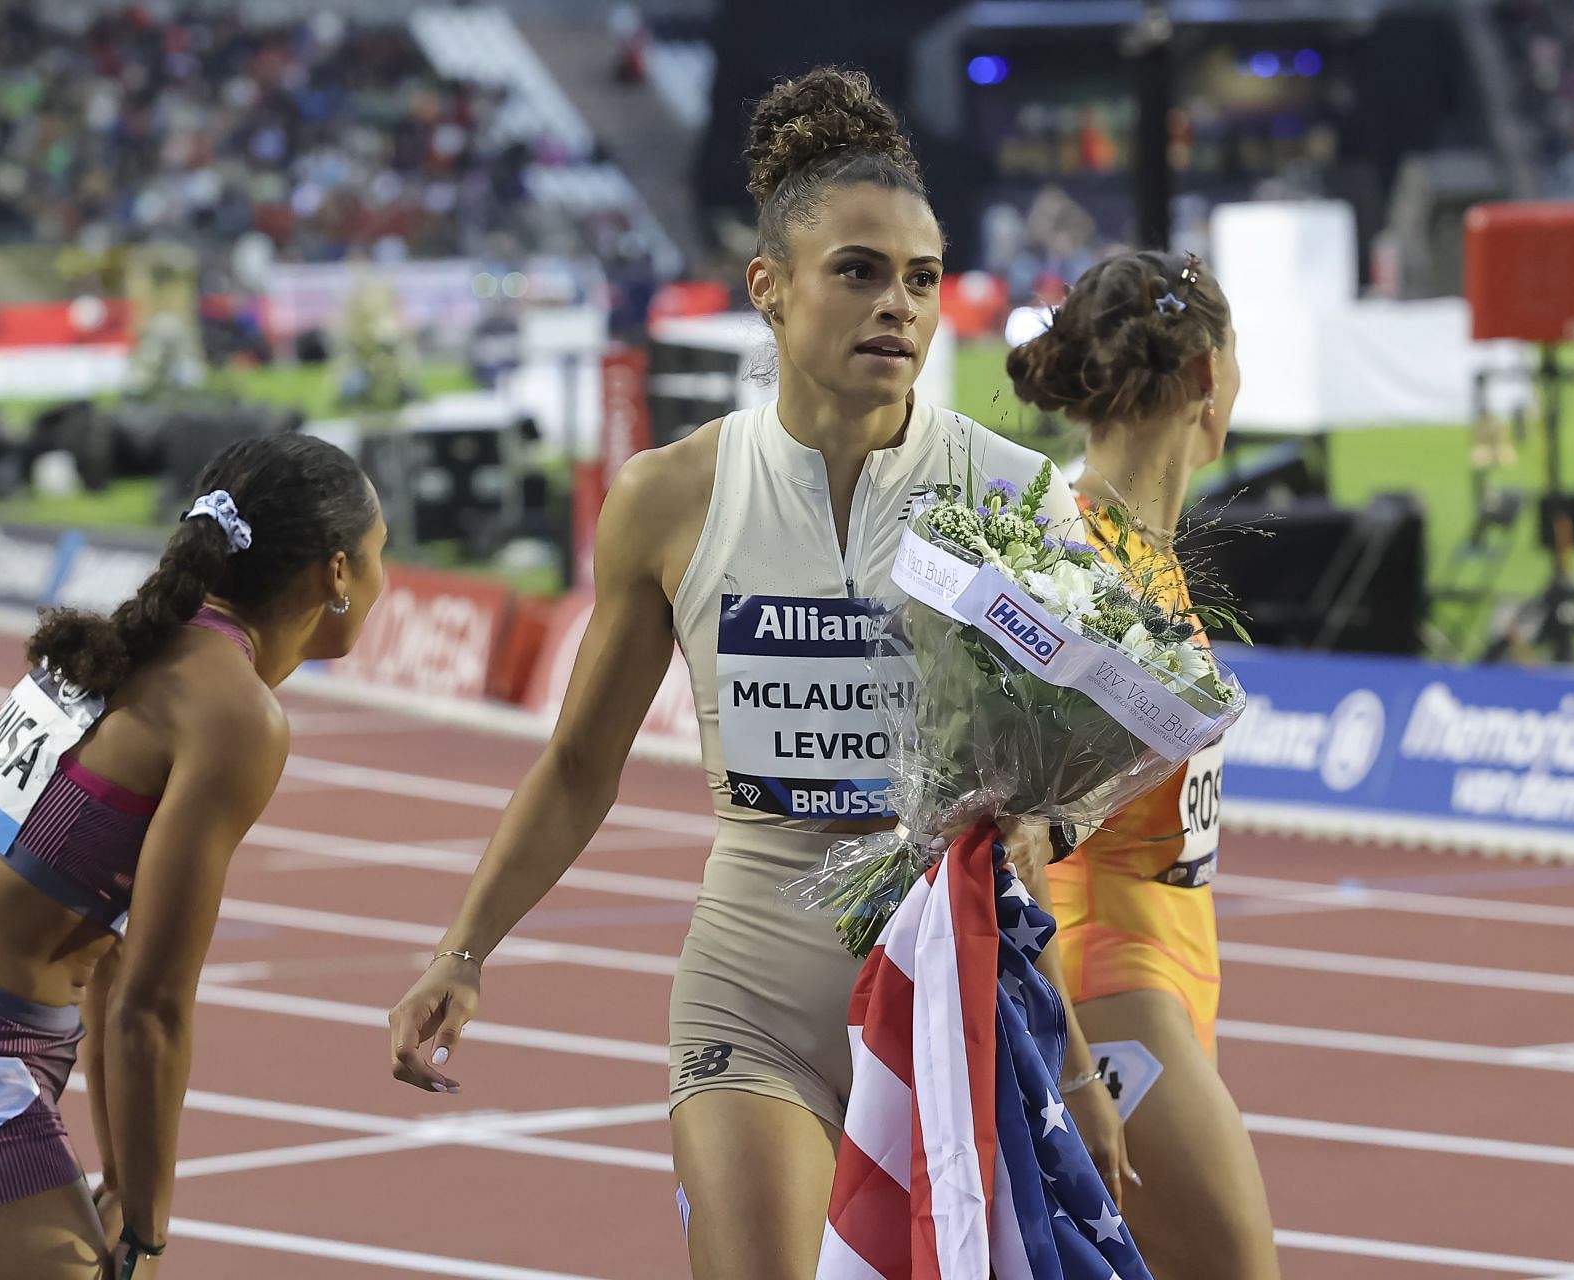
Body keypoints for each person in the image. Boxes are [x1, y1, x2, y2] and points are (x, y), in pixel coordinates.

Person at [387, 67, 1131, 1277]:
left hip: (948, 983)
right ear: (770, 290)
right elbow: (580, 764)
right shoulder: (670, 497)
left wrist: (1076, 1055)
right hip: (753, 983)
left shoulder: (1009, 498)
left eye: (923, 278)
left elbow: (1034, 823)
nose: (899, 304)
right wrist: (462, 950)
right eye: (859, 270)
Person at [0, 434, 387, 1279]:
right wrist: (149, 1233)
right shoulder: (231, 714)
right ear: (336, 574)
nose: (386, 580)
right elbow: (154, 1008)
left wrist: (125, 1183)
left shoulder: (141, 643)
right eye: (382, 557)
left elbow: (117, 962)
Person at [1005, 250, 1281, 1279]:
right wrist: (1070, 1054)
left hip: (1160, 978)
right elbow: (1011, 829)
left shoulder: (1138, 552)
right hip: (1110, 988)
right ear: (1210, 375)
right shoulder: (1076, 556)